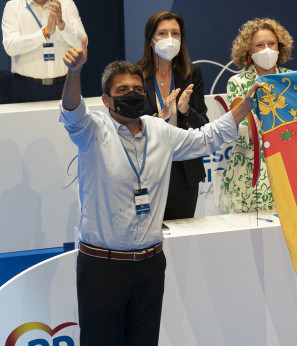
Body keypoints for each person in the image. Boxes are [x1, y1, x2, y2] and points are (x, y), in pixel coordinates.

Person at [60, 35, 261, 345]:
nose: (132, 94)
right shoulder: (94, 131)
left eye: (138, 89)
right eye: (122, 90)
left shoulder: (159, 130)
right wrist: (74, 73)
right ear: (105, 99)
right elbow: (72, 113)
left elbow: (205, 139)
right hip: (102, 267)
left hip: (150, 265)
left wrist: (245, 105)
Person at [137, 11, 209, 220]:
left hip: (184, 170)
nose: (170, 39)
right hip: (148, 169)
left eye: (175, 33)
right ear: (150, 40)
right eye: (162, 33)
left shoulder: (192, 74)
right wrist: (159, 118)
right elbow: (129, 126)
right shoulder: (135, 75)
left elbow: (203, 125)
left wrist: (186, 110)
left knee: (182, 235)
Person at [218, 17, 293, 214]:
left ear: (280, 46)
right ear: (249, 51)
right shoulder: (237, 83)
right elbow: (239, 133)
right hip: (248, 173)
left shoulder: (291, 78)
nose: (267, 49)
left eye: (271, 43)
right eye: (259, 45)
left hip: (287, 170)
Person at [2, 0, 85, 102]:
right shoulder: (13, 6)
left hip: (63, 86)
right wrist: (44, 33)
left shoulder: (66, 4)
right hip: (25, 88)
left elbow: (82, 43)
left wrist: (62, 25)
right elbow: (10, 47)